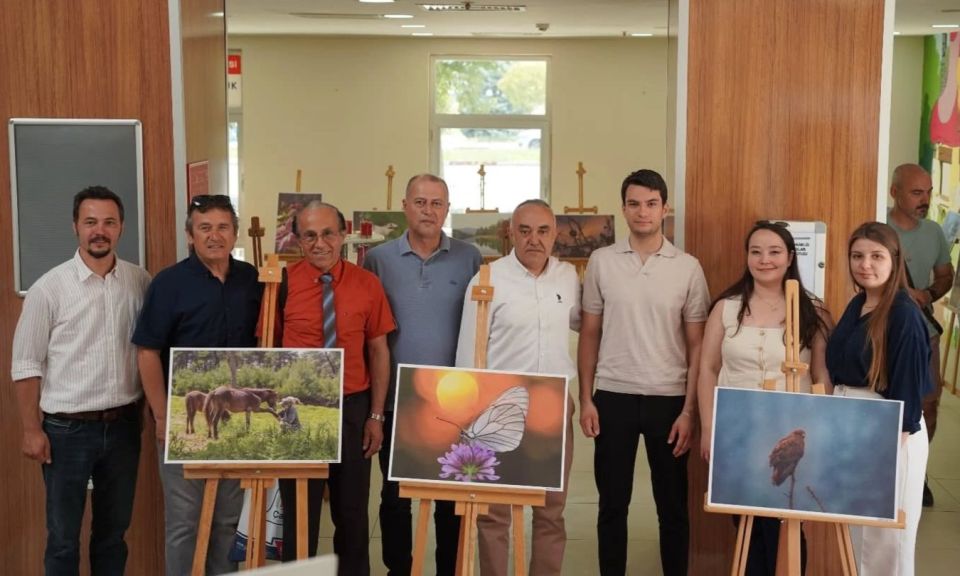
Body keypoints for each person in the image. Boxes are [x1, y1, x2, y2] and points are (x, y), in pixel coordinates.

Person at [11, 186, 150, 576]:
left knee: (113, 536)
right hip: (65, 433)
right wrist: (31, 430)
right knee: (62, 539)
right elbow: (25, 363)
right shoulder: (49, 288)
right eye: (90, 222)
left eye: (109, 222)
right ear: (75, 226)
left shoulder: (140, 282)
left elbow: (149, 351)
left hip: (123, 428)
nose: (99, 231)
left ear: (121, 227)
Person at [578, 169, 709, 576]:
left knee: (672, 508)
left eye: (651, 204)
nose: (643, 212)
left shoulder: (687, 267)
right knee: (612, 505)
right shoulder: (601, 262)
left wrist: (689, 411)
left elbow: (698, 346)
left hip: (669, 400)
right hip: (613, 396)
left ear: (665, 209)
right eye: (634, 204)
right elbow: (590, 334)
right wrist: (586, 398)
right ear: (623, 208)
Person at [133, 194, 262, 575]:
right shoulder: (169, 283)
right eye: (205, 228)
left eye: (223, 227)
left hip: (232, 420)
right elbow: (147, 352)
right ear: (190, 235)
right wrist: (161, 417)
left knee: (227, 522)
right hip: (182, 421)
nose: (214, 236)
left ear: (235, 233)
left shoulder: (251, 280)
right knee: (184, 524)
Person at [697, 221, 832, 575]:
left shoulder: (812, 310)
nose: (764, 260)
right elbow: (708, 368)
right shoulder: (726, 308)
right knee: (745, 521)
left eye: (774, 252)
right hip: (737, 431)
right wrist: (709, 427)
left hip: (787, 431)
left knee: (785, 521)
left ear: (790, 257)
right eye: (756, 252)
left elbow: (821, 376)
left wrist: (820, 429)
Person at [455, 199, 580, 576]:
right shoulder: (487, 279)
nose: (533, 239)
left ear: (555, 234)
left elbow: (585, 327)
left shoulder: (568, 278)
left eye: (543, 231)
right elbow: (468, 353)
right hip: (498, 408)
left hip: (553, 406)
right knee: (494, 512)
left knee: (551, 508)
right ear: (511, 233)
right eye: (524, 231)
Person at [363, 174, 480, 575]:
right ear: (405, 206)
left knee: (450, 499)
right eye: (420, 202)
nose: (428, 210)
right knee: (395, 497)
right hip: (398, 401)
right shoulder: (378, 260)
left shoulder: (469, 258)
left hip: (454, 404)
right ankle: (399, 569)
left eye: (436, 203)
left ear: (447, 208)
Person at [273, 201, 394, 576]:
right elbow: (267, 349)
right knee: (299, 515)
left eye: (328, 233)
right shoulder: (281, 285)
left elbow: (378, 351)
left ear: (343, 235)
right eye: (309, 235)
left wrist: (376, 416)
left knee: (353, 515)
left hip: (353, 408)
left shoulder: (367, 284)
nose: (320, 243)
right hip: (299, 411)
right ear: (298, 240)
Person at [826, 222, 931, 576]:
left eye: (876, 256)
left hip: (890, 436)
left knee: (886, 545)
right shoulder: (858, 303)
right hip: (853, 431)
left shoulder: (903, 314)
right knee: (859, 538)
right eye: (857, 256)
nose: (865, 264)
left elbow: (907, 396)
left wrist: (883, 456)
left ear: (895, 260)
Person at [886, 163, 953, 507]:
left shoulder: (934, 233)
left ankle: (918, 471)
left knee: (929, 405)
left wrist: (927, 294)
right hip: (885, 332)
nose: (924, 200)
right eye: (916, 193)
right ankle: (887, 470)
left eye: (928, 192)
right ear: (894, 192)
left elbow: (945, 275)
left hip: (924, 332)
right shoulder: (878, 228)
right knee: (887, 401)